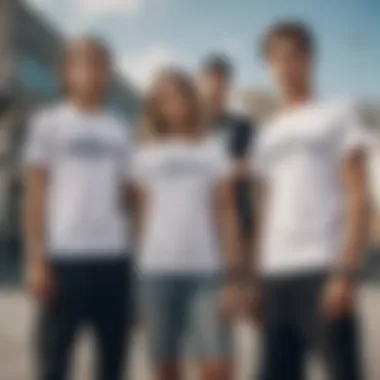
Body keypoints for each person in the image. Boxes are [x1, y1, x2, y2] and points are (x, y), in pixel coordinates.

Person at [250, 21, 369, 380]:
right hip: (275, 275)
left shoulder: (338, 115)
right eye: (276, 59)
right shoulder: (267, 133)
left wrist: (345, 271)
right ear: (269, 66)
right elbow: (265, 207)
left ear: (310, 60)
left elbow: (359, 196)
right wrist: (257, 275)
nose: (285, 66)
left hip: (323, 269)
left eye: (293, 56)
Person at [23, 37, 135, 380]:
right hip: (64, 258)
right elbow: (35, 194)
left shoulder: (120, 129)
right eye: (81, 63)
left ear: (107, 73)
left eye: (98, 63)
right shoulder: (49, 123)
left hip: (113, 259)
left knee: (112, 364)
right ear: (67, 72)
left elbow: (127, 197)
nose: (90, 71)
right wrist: (36, 259)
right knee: (53, 363)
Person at [134, 68, 241, 380]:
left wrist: (234, 276)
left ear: (193, 100)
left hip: (205, 274)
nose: (173, 103)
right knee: (165, 367)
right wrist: (133, 278)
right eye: (164, 97)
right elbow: (139, 219)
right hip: (155, 274)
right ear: (154, 105)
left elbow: (227, 214)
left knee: (216, 367)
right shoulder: (142, 155)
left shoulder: (212, 151)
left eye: (180, 94)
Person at [198, 54, 255, 246]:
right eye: (210, 79)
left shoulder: (242, 126)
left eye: (221, 80)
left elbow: (249, 166)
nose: (215, 86)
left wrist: (219, 171)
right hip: (196, 219)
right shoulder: (185, 127)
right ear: (200, 81)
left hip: (235, 217)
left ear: (228, 85)